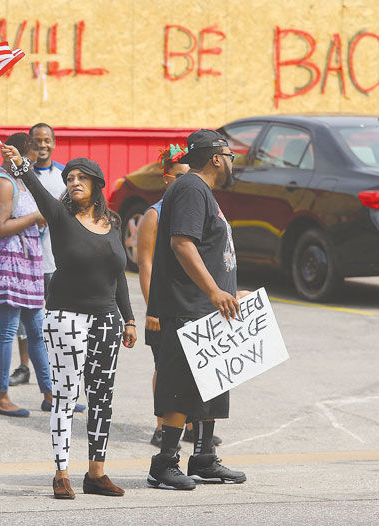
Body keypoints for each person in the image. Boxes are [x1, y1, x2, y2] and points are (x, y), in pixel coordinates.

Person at [1, 145, 137, 499]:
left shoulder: (113, 223)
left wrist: (130, 319)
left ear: (97, 184)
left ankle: (96, 473)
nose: (74, 182)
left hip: (107, 319)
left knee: (102, 397)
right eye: (70, 178)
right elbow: (37, 189)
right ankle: (61, 473)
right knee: (65, 394)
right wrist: (21, 165)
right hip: (66, 317)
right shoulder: (60, 217)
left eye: (81, 177)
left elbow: (119, 274)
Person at [146, 129, 247, 490]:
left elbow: (209, 252)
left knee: (210, 383)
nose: (234, 162)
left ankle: (203, 459)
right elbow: (182, 244)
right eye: (231, 155)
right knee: (181, 386)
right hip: (189, 307)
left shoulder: (202, 192)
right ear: (216, 157)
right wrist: (214, 289)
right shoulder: (190, 187)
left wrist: (230, 288)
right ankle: (164, 464)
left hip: (209, 308)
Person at [0, 133, 53, 418]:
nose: (35, 160)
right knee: (8, 330)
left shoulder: (21, 181)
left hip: (27, 266)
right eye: (32, 154)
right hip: (8, 266)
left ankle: (49, 393)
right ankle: (0, 397)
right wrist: (35, 217)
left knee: (36, 332)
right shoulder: (3, 182)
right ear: (20, 153)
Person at [136, 144, 189, 448]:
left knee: (193, 364)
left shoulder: (190, 210)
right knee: (165, 367)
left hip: (188, 304)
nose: (185, 181)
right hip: (163, 305)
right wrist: (152, 308)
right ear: (167, 178)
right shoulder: (154, 216)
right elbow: (146, 264)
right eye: (179, 175)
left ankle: (191, 423)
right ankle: (160, 426)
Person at [9, 123, 66, 386]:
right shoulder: (19, 173)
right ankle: (24, 366)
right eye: (37, 141)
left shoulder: (65, 175)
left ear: (54, 143)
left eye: (47, 140)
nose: (43, 145)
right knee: (24, 318)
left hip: (54, 259)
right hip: (25, 259)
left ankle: (54, 366)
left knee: (54, 316)